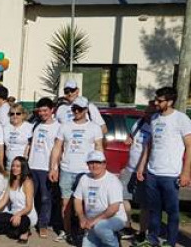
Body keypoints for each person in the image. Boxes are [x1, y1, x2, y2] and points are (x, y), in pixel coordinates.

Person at [136, 87, 191, 247]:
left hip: (171, 174)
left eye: (160, 101)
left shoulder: (182, 119)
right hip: (153, 172)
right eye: (156, 100)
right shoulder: (154, 118)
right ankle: (152, 240)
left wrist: (186, 172)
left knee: (172, 212)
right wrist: (142, 166)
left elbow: (189, 146)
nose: (156, 103)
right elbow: (149, 145)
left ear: (170, 101)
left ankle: (171, 242)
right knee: (154, 210)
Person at [49, 96, 104, 242]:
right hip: (67, 169)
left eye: (80, 109)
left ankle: (82, 231)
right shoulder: (65, 126)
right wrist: (53, 168)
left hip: (86, 172)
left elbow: (99, 148)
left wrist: (100, 169)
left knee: (86, 205)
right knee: (65, 204)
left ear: (86, 110)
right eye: (74, 108)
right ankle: (66, 232)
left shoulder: (94, 127)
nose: (77, 111)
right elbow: (57, 147)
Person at [74, 151, 127, 247]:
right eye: (91, 163)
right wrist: (81, 218)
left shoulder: (112, 181)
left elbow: (114, 208)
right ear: (87, 164)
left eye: (98, 162)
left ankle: (114, 244)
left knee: (100, 227)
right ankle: (108, 237)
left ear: (104, 164)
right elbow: (77, 200)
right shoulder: (84, 178)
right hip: (92, 222)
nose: (94, 166)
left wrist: (94, 221)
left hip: (114, 218)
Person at [26, 97, 61, 238]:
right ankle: (27, 222)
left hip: (47, 167)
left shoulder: (58, 127)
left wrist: (55, 168)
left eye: (45, 110)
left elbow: (60, 149)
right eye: (40, 111)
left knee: (46, 198)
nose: (42, 113)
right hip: (32, 166)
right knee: (30, 196)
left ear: (52, 110)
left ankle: (43, 225)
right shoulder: (35, 124)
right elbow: (29, 145)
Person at [119, 103, 154, 241]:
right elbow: (131, 140)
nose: (147, 115)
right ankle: (127, 226)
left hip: (146, 171)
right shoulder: (139, 123)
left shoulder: (156, 127)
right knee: (121, 196)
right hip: (130, 168)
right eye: (146, 112)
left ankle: (142, 232)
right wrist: (129, 140)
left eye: (150, 113)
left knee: (144, 203)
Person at [0, 156, 37, 243]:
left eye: (18, 166)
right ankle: (14, 230)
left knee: (22, 223)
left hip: (26, 215)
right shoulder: (11, 181)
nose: (14, 168)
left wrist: (19, 215)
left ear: (23, 168)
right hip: (13, 214)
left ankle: (25, 231)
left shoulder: (28, 182)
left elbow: (29, 207)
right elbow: (4, 200)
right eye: (13, 166)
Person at [3, 103, 32, 169]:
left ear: (23, 115)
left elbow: (30, 144)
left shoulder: (29, 127)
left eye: (18, 113)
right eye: (12, 114)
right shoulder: (6, 127)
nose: (15, 116)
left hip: (23, 164)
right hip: (9, 164)